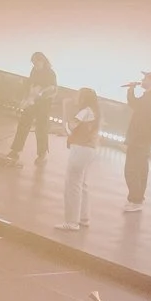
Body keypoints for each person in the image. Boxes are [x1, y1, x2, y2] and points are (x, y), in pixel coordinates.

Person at [58, 88, 101, 231]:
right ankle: (83, 218)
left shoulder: (85, 112)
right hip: (89, 149)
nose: (75, 97)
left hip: (80, 149)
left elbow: (69, 128)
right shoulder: (93, 111)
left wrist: (65, 108)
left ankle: (71, 222)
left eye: (78, 95)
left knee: (72, 185)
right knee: (82, 184)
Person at [119, 71, 151, 211]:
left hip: (141, 140)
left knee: (133, 170)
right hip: (141, 140)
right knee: (139, 170)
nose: (142, 80)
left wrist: (132, 140)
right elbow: (135, 105)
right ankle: (136, 199)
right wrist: (131, 90)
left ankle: (135, 200)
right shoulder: (150, 96)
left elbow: (139, 110)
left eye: (145, 78)